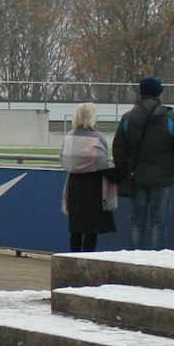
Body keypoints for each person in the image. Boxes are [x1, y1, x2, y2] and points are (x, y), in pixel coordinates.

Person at [111, 76, 174, 250]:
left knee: (137, 224)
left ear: (141, 93)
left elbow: (118, 149)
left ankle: (134, 262)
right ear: (158, 94)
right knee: (159, 224)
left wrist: (124, 171)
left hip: (136, 177)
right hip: (163, 178)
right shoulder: (171, 117)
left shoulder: (128, 118)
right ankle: (157, 264)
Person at [59, 102, 118, 252]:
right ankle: (87, 261)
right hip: (93, 188)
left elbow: (64, 159)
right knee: (91, 231)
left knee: (75, 229)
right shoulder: (97, 138)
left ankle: (73, 261)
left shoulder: (69, 137)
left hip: (74, 186)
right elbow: (103, 163)